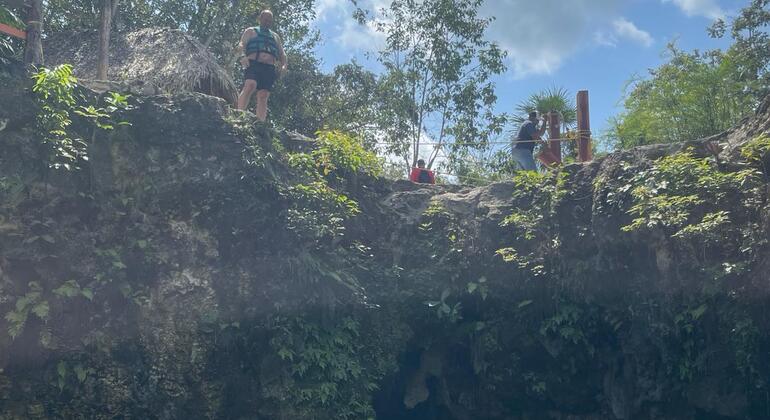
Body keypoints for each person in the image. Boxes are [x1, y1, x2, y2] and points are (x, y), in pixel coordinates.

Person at [236, 10, 288, 122]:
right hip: (253, 63)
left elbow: (282, 53)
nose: (267, 22)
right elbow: (241, 44)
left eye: (269, 20)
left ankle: (260, 124)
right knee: (250, 85)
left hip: (269, 68)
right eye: (265, 19)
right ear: (260, 18)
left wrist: (284, 65)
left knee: (263, 95)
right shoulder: (251, 31)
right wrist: (242, 56)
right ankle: (238, 114)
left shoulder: (275, 36)